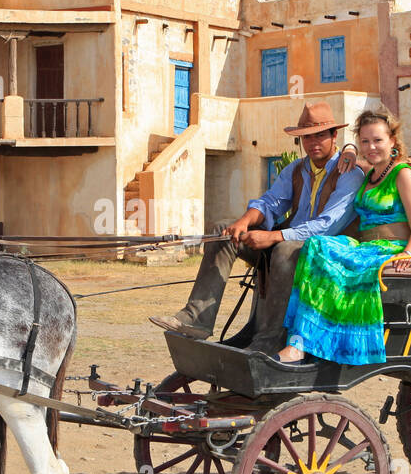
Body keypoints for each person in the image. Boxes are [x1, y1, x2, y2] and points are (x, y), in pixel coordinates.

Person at [150, 101, 365, 355]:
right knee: (224, 232)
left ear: (334, 136)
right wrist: (243, 222)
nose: (313, 142)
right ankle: (196, 319)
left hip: (324, 254)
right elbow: (270, 202)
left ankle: (269, 339)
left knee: (285, 249)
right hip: (287, 242)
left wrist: (272, 236)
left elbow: (326, 226)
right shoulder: (296, 169)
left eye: (320, 135)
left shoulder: (349, 173)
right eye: (307, 137)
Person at [277, 108, 411, 364]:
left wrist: (408, 253)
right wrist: (350, 150)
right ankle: (301, 339)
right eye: (365, 141)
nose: (371, 146)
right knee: (316, 246)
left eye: (378, 140)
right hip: (367, 247)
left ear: (393, 140)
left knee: (330, 254)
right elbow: (348, 154)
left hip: (394, 249)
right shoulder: (371, 174)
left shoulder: (403, 175)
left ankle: (316, 342)